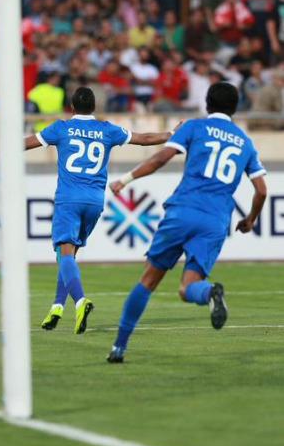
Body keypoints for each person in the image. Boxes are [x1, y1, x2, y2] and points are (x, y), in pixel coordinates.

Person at [0, 87, 177, 335]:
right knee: (68, 256)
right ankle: (56, 307)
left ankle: (80, 301)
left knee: (64, 254)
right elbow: (146, 138)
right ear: (93, 107)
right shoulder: (107, 129)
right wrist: (173, 133)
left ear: (72, 107)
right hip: (95, 201)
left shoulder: (61, 128)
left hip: (68, 199)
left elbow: (23, 144)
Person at [106, 83, 267, 363]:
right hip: (216, 221)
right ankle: (209, 293)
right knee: (187, 288)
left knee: (149, 280)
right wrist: (250, 219)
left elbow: (160, 159)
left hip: (184, 210)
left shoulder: (194, 127)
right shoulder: (245, 142)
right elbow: (262, 190)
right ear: (235, 108)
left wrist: (125, 179)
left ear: (207, 104)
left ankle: (119, 347)